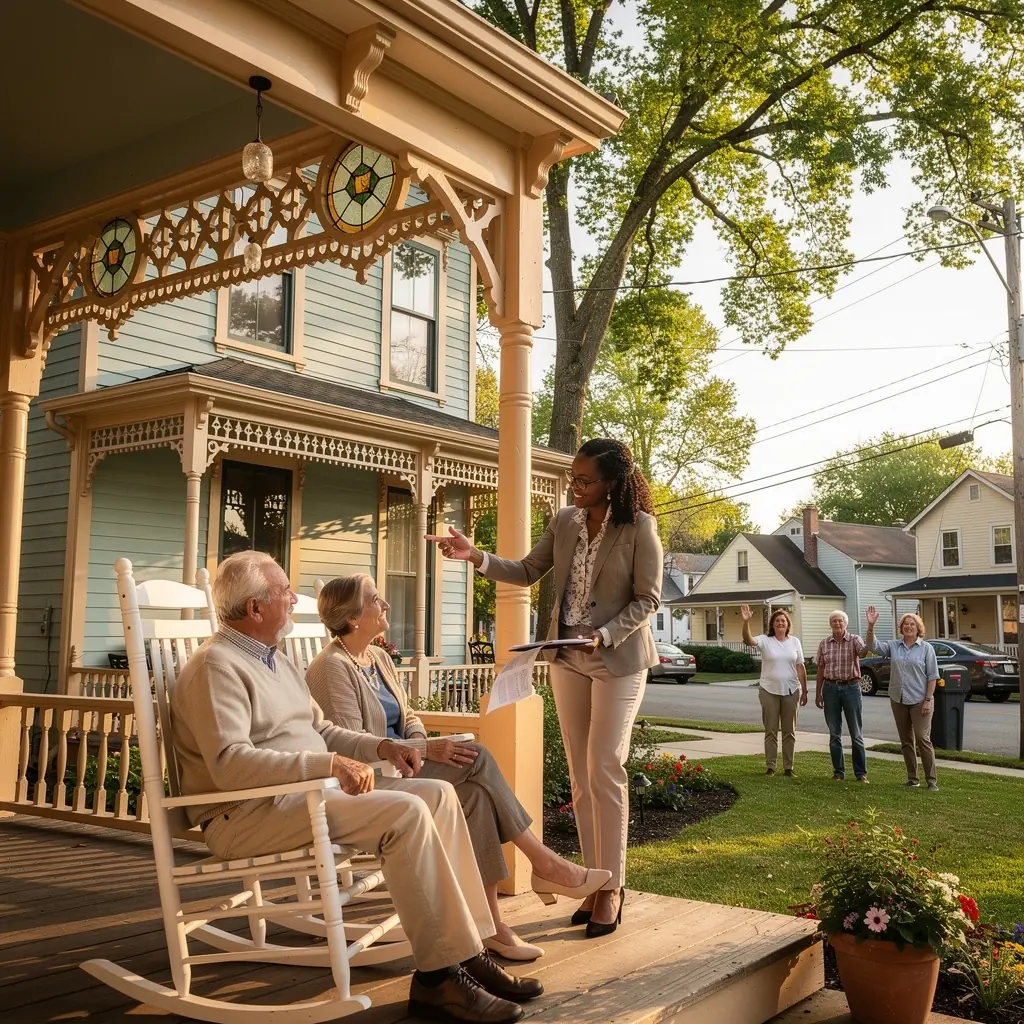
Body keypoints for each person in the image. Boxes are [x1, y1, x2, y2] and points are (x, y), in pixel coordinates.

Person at [170, 550, 541, 1024]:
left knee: (439, 795)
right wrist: (328, 764)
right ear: (255, 609)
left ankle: (466, 953)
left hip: (305, 798)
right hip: (247, 813)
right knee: (405, 814)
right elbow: (229, 764)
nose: (294, 597)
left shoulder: (274, 660)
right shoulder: (216, 666)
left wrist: (382, 749)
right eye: (284, 590)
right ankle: (437, 981)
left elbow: (323, 730)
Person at [306, 573, 611, 961]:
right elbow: (351, 742)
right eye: (375, 599)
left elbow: (409, 714)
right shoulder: (330, 667)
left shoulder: (377, 657)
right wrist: (424, 747)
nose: (385, 605)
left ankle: (493, 925)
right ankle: (544, 863)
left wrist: (420, 741)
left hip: (408, 765)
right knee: (479, 757)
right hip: (375, 777)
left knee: (473, 796)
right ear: (352, 618)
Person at [427, 438, 662, 939]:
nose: (575, 487)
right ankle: (592, 881)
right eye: (573, 478)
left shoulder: (639, 527)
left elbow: (649, 599)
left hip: (617, 660)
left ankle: (613, 888)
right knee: (580, 774)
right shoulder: (564, 522)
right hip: (566, 659)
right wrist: (476, 556)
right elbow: (528, 571)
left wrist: (604, 634)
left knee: (605, 765)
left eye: (585, 480)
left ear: (613, 483)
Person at [865, 606, 940, 791]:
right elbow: (872, 646)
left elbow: (933, 676)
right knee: (906, 740)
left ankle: (932, 780)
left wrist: (928, 700)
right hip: (898, 699)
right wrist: (871, 625)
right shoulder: (893, 646)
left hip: (920, 700)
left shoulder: (926, 649)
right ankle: (913, 778)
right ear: (901, 627)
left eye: (912, 624)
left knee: (922, 738)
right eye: (905, 624)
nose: (908, 627)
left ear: (918, 628)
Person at [740, 606, 807, 777]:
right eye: (777, 621)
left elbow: (800, 667)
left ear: (787, 624)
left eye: (783, 621)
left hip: (792, 690)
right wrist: (746, 621)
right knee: (770, 730)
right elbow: (748, 640)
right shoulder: (765, 640)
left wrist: (805, 690)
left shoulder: (795, 642)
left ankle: (788, 767)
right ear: (772, 624)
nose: (780, 623)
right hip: (769, 690)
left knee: (789, 731)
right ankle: (771, 766)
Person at [814, 610, 870, 783]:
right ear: (830, 624)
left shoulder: (854, 640)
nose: (837, 624)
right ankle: (838, 772)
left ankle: (861, 773)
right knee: (834, 733)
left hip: (851, 688)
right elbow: (821, 669)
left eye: (840, 621)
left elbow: (863, 653)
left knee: (856, 733)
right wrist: (818, 693)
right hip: (830, 689)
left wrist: (871, 627)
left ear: (846, 624)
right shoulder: (824, 643)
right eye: (834, 621)